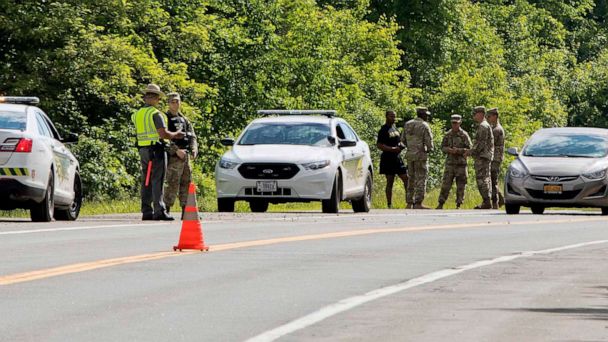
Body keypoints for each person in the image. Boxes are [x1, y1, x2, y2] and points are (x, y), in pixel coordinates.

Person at [132, 84, 184, 221]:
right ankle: (159, 210)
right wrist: (176, 134)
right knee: (157, 180)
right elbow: (163, 134)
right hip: (156, 150)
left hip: (143, 149)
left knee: (146, 180)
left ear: (145, 98)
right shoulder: (156, 114)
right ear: (156, 98)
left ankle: (146, 211)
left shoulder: (136, 114)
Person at [163, 92, 198, 217]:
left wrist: (194, 148)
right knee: (171, 183)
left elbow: (192, 135)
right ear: (168, 103)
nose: (175, 103)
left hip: (185, 156)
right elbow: (164, 138)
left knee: (187, 183)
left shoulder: (184, 119)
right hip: (173, 157)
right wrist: (176, 150)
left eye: (177, 101)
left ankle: (186, 211)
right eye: (172, 101)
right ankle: (165, 209)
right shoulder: (165, 118)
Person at [436, 114, 472, 209]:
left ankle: (459, 204)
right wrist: (448, 150)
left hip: (461, 164)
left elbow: (470, 149)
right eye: (453, 123)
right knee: (446, 185)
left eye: (456, 123)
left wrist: (459, 151)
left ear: (460, 123)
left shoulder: (464, 135)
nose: (454, 125)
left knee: (461, 185)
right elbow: (442, 147)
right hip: (450, 164)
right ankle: (441, 203)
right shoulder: (448, 134)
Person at [402, 107, 434, 209]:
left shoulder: (407, 124)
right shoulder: (424, 125)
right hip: (420, 156)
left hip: (410, 155)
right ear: (423, 115)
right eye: (426, 115)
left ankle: (409, 202)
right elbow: (429, 144)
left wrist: (411, 147)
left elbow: (402, 140)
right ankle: (418, 202)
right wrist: (428, 149)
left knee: (411, 178)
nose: (427, 117)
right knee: (421, 178)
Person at [376, 110, 408, 209]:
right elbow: (379, 145)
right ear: (386, 117)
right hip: (388, 158)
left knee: (406, 178)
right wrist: (392, 149)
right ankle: (389, 204)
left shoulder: (395, 129)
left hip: (397, 158)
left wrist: (401, 147)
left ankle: (409, 202)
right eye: (391, 116)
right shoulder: (383, 129)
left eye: (394, 116)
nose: (393, 118)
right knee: (390, 181)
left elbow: (400, 141)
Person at [464, 106, 494, 209]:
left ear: (481, 113)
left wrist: (470, 152)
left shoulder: (483, 126)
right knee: (485, 178)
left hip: (482, 157)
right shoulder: (485, 125)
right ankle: (487, 201)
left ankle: (486, 201)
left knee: (482, 179)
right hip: (484, 156)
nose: (474, 116)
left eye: (475, 113)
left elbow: (480, 144)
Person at [486, 108, 505, 209]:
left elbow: (490, 142)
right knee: (492, 180)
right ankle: (501, 199)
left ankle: (495, 202)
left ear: (495, 116)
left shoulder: (497, 130)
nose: (488, 118)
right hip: (495, 158)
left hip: (495, 158)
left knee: (493, 180)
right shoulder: (494, 128)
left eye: (489, 116)